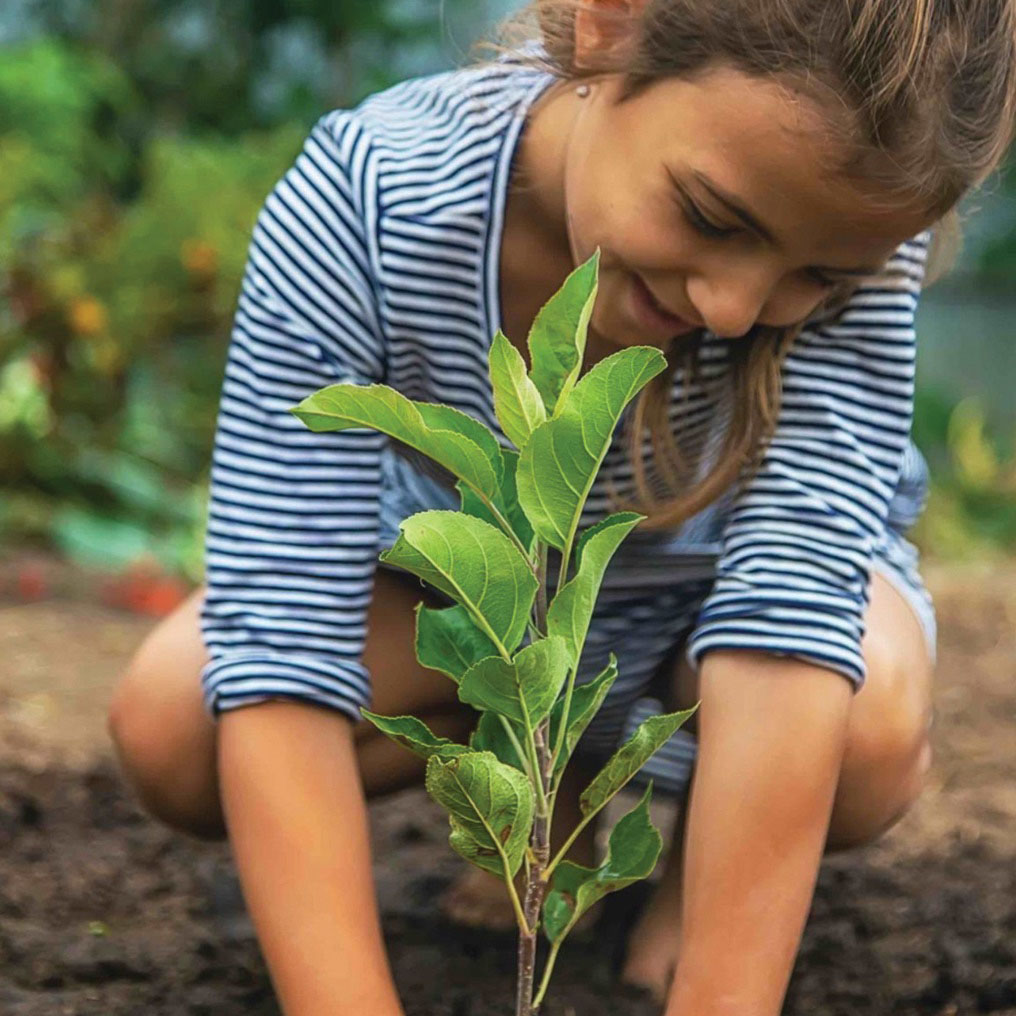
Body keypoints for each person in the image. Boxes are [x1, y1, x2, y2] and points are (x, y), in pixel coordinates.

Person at [107, 1, 1016, 1013]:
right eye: (714, 218)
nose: (733, 306)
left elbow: (788, 625)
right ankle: (557, 801)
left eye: (816, 275)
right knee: (173, 725)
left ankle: (689, 874)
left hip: (707, 626)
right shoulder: (369, 199)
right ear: (606, 27)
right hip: (468, 617)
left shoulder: (855, 233)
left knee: (868, 725)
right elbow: (280, 638)